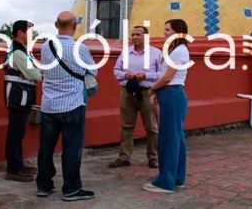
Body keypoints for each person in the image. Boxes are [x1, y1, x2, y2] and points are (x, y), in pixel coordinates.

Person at [36, 11, 96, 201]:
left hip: (49, 105)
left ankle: (44, 185)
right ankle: (71, 188)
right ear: (75, 26)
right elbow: (93, 71)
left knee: (45, 148)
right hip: (72, 104)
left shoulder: (46, 47)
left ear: (56, 25)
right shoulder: (80, 48)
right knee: (71, 149)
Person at [142, 19, 190, 193]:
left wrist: (152, 89)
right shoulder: (176, 51)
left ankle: (166, 181)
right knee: (176, 138)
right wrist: (157, 92)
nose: (165, 33)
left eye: (168, 30)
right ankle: (177, 178)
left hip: (172, 95)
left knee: (169, 139)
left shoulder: (179, 52)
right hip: (170, 94)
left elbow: (168, 77)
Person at [109, 25, 162, 169]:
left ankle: (153, 157)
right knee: (126, 126)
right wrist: (126, 75)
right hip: (127, 92)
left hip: (147, 92)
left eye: (138, 34)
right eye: (132, 35)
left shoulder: (156, 53)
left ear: (146, 37)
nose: (134, 37)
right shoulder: (125, 53)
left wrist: (146, 75)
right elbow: (116, 70)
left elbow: (162, 74)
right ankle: (124, 157)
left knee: (151, 126)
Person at [3, 20, 42, 182]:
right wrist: (35, 73)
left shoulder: (21, 51)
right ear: (20, 33)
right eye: (29, 32)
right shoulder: (18, 53)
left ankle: (18, 165)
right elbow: (36, 75)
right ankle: (13, 168)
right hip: (19, 97)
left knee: (18, 132)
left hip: (21, 96)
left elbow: (33, 70)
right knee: (16, 132)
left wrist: (32, 72)